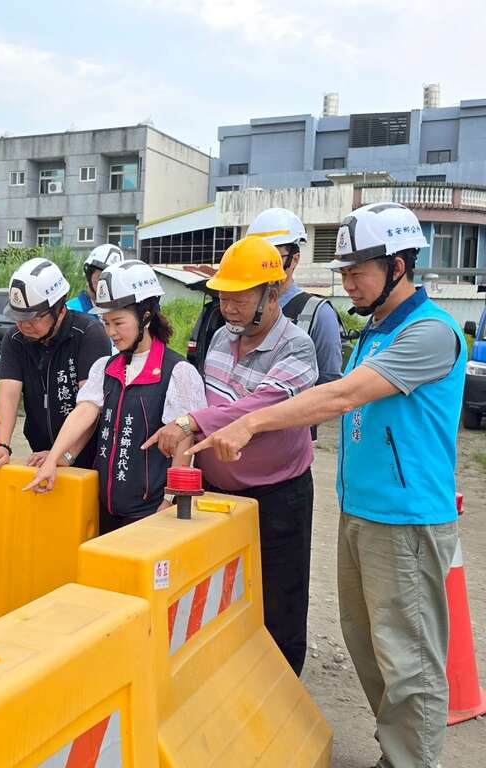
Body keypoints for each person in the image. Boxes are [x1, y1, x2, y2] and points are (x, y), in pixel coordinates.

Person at [187, 203, 465, 768]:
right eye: (343, 271)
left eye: (358, 270)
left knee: (408, 656)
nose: (348, 283)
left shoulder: (432, 332)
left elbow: (341, 397)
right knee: (368, 645)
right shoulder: (375, 331)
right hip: (360, 510)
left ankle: (413, 760)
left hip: (407, 517)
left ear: (400, 264)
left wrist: (249, 420)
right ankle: (398, 752)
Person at [145, 235, 318, 676]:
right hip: (218, 491)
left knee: (280, 601)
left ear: (272, 294)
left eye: (240, 300)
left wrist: (190, 422)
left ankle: (281, 697)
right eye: (223, 299)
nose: (229, 309)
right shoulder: (222, 336)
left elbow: (261, 406)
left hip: (277, 496)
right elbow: (211, 401)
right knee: (222, 594)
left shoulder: (296, 346)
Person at [25, 260, 206, 533]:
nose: (111, 332)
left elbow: (184, 442)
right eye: (106, 322)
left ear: (146, 316)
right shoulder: (106, 368)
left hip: (150, 512)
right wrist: (55, 458)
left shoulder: (177, 372)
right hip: (104, 507)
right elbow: (84, 412)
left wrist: (170, 501)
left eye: (118, 322)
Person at [0, 257, 111, 472]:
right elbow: (8, 397)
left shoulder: (88, 334)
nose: (24, 325)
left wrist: (65, 454)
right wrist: (2, 445)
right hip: (41, 450)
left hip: (89, 457)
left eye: (33, 318)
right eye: (18, 317)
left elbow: (91, 408)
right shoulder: (15, 339)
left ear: (60, 308)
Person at [247, 207, 343, 386]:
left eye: (273, 258)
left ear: (295, 258)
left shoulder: (319, 314)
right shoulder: (240, 307)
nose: (263, 266)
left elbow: (328, 385)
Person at [66, 244, 125, 316]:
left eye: (113, 278)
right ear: (88, 276)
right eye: (101, 277)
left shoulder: (121, 311)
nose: (106, 283)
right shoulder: (71, 310)